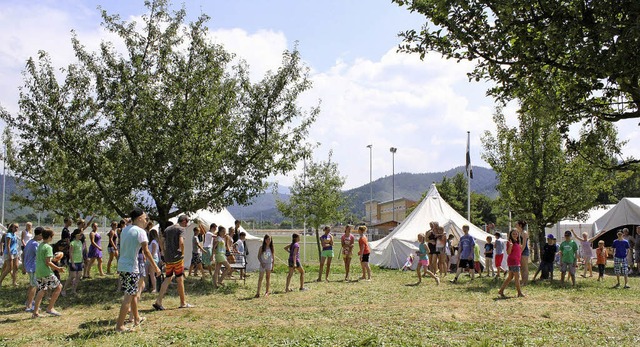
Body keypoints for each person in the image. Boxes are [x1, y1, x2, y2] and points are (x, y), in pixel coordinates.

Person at [115, 208, 160, 332]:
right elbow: (146, 251)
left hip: (122, 266)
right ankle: (119, 326)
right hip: (131, 268)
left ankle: (136, 318)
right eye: (145, 218)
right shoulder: (141, 231)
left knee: (133, 293)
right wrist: (156, 267)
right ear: (139, 218)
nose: (146, 221)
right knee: (128, 297)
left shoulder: (125, 230)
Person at [154, 215, 192, 310]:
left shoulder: (168, 229)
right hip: (177, 257)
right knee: (180, 279)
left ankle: (158, 301)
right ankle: (183, 303)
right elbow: (181, 242)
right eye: (187, 222)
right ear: (183, 221)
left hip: (168, 258)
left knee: (168, 278)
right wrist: (182, 252)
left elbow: (161, 240)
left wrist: (163, 251)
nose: (187, 225)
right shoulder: (181, 229)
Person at [32, 228, 65, 318]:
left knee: (42, 290)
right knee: (59, 287)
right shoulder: (48, 247)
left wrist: (54, 259)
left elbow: (45, 260)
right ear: (50, 237)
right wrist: (58, 268)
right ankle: (50, 308)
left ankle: (35, 312)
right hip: (46, 271)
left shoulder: (40, 245)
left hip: (38, 271)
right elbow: (48, 262)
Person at [498, 229, 525, 298]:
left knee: (510, 277)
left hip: (516, 261)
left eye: (516, 234)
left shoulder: (517, 242)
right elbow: (508, 253)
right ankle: (519, 292)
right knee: (517, 277)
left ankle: (501, 290)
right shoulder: (509, 242)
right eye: (513, 234)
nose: (515, 235)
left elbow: (519, 251)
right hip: (513, 261)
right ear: (510, 235)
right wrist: (510, 246)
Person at [24, 227, 43, 312]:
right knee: (34, 287)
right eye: (42, 235)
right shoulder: (35, 244)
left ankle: (29, 302)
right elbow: (40, 256)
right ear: (39, 235)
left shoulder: (29, 242)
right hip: (33, 268)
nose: (42, 237)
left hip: (29, 266)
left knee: (32, 285)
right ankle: (29, 305)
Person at [62, 230, 84, 296]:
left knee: (79, 276)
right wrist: (72, 263)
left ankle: (73, 290)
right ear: (76, 235)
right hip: (74, 262)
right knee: (72, 276)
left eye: (81, 235)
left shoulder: (80, 242)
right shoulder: (72, 243)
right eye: (80, 235)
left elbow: (81, 252)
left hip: (79, 261)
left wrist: (82, 261)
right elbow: (70, 253)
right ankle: (64, 290)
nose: (81, 236)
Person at [146, 229, 160, 293]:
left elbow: (153, 252)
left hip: (153, 258)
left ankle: (154, 288)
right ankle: (146, 286)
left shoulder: (154, 242)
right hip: (149, 259)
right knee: (145, 273)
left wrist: (150, 258)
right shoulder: (151, 242)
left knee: (152, 274)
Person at [516, 221, 530, 285]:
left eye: (517, 224)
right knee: (521, 267)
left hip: (524, 251)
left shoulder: (524, 233)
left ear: (520, 225)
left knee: (525, 267)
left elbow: (524, 244)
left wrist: (520, 252)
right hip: (520, 250)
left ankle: (525, 281)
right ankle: (523, 280)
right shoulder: (519, 233)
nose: (516, 225)